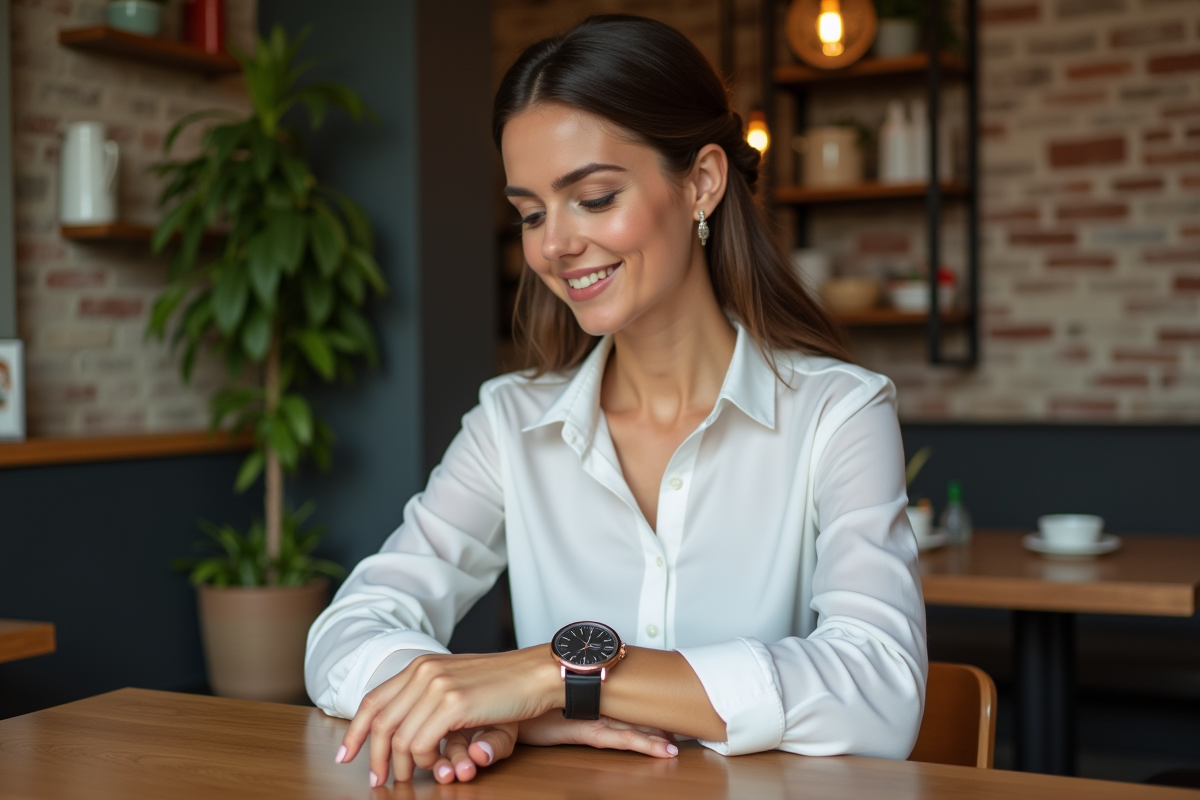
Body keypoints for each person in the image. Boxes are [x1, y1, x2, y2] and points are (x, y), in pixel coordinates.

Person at [306, 14, 927, 787]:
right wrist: (489, 702)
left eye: (593, 198)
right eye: (531, 213)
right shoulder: (510, 423)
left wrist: (550, 678)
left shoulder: (839, 414)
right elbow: (345, 632)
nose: (552, 246)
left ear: (701, 182)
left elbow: (880, 691)